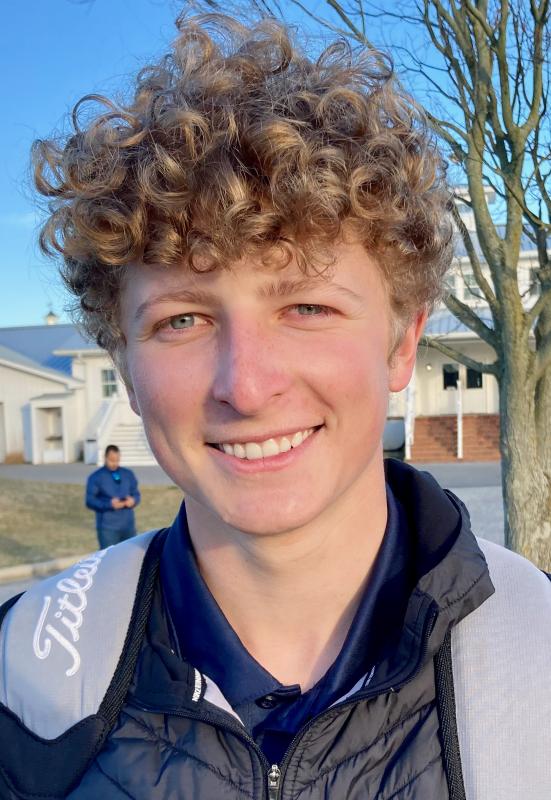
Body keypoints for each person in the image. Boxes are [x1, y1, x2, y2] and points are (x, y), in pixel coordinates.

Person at [0, 12, 549, 800]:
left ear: (401, 344)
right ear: (124, 366)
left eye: (307, 307)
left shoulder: (536, 662)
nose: (247, 385)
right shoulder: (22, 691)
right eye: (181, 320)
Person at [85, 444, 140, 547]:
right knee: (109, 556)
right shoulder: (96, 477)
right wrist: (109, 504)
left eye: (117, 460)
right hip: (108, 528)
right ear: (105, 457)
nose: (115, 463)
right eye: (111, 460)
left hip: (128, 526)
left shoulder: (128, 474)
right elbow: (90, 501)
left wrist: (133, 500)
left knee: (130, 555)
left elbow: (136, 494)